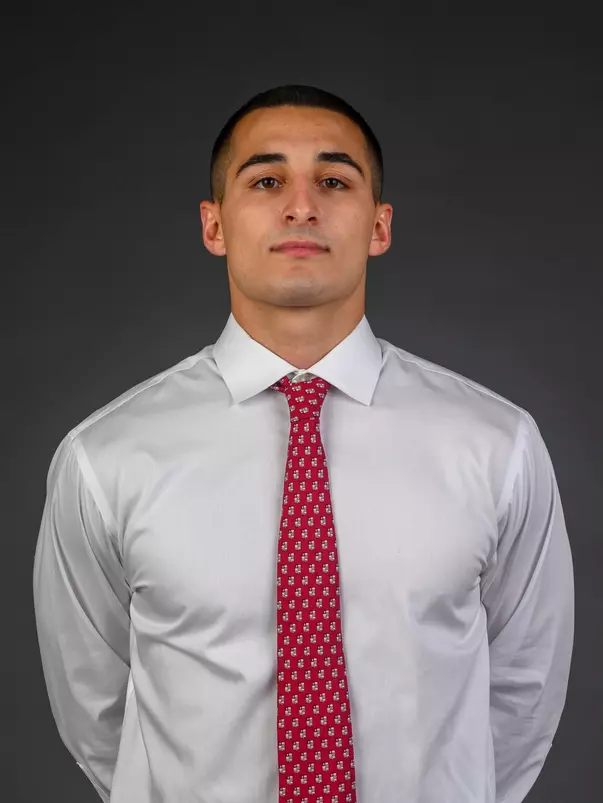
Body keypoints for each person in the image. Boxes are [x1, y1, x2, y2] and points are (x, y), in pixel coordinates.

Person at [32, 84, 574, 803]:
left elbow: (522, 690)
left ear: (379, 225)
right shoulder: (105, 457)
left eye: (332, 179)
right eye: (264, 180)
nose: (300, 205)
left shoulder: (495, 444)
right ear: (214, 224)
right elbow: (93, 707)